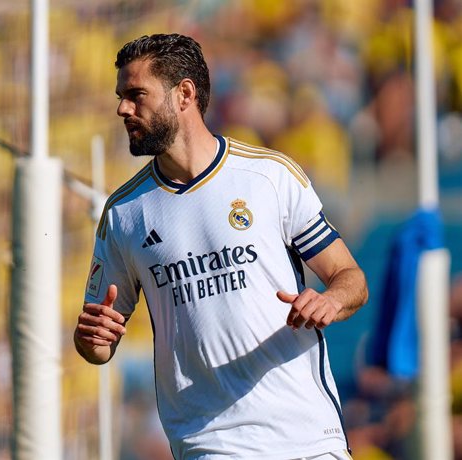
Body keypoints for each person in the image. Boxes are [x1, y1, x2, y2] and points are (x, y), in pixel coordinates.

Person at [74, 33, 368, 459]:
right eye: (121, 96)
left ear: (185, 95)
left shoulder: (269, 177)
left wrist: (331, 301)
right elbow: (98, 346)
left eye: (136, 94)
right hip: (210, 441)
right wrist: (91, 338)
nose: (123, 108)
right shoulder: (123, 213)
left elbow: (351, 279)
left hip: (305, 435)